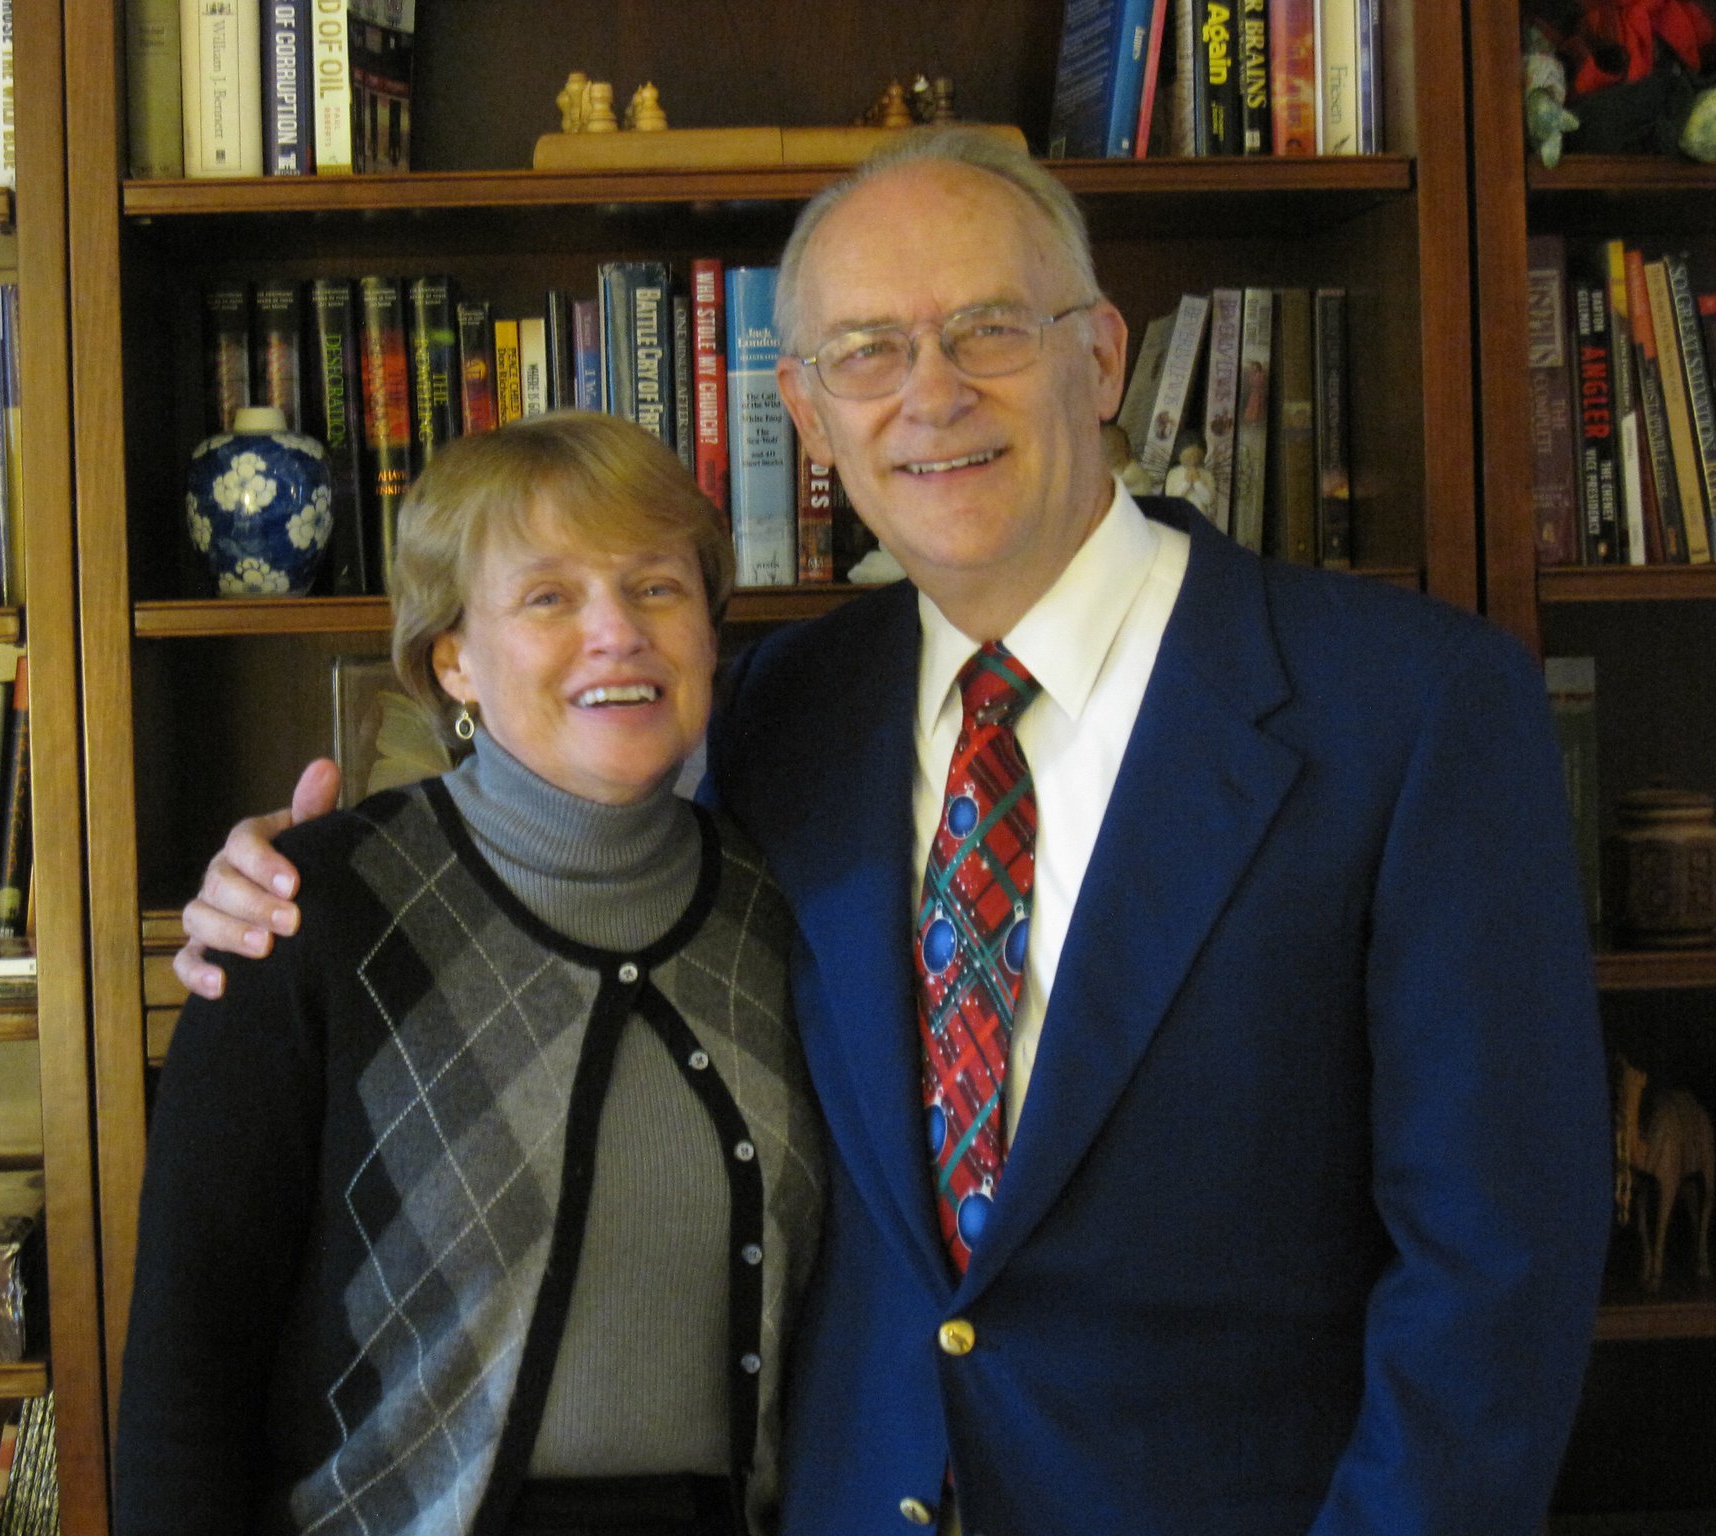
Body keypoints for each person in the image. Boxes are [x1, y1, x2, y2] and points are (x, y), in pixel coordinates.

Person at [174, 128, 1611, 1535]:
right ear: (806, 414)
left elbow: (1497, 1269)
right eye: (865, 351)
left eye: (989, 328)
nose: (929, 394)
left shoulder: (1414, 710)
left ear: (1100, 357)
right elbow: (549, 833)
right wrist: (295, 884)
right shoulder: (783, 715)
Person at [114, 411, 822, 1536]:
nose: (615, 634)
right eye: (549, 598)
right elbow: (185, 1368)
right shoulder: (307, 913)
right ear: (453, 660)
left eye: (655, 588)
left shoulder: (788, 911)